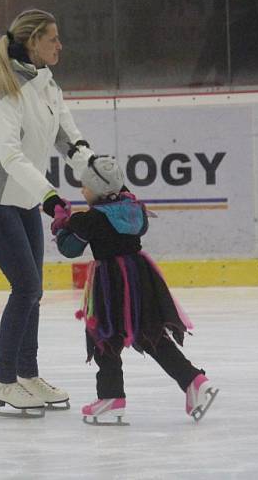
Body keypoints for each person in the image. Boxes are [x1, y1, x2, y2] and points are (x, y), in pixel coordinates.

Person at [0, 9, 95, 415]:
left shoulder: (47, 84)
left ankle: (27, 373)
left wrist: (99, 171)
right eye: (53, 39)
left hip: (22, 200)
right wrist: (50, 196)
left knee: (32, 291)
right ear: (33, 41)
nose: (60, 45)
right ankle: (3, 380)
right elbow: (8, 155)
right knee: (26, 288)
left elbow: (68, 137)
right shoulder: (5, 88)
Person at [51, 155, 218, 424]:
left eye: (86, 186)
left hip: (109, 281)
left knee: (104, 335)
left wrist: (62, 225)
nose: (82, 190)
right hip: (140, 277)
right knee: (150, 334)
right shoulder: (134, 210)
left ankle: (111, 398)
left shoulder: (89, 220)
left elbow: (70, 249)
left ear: (97, 190)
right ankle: (194, 380)